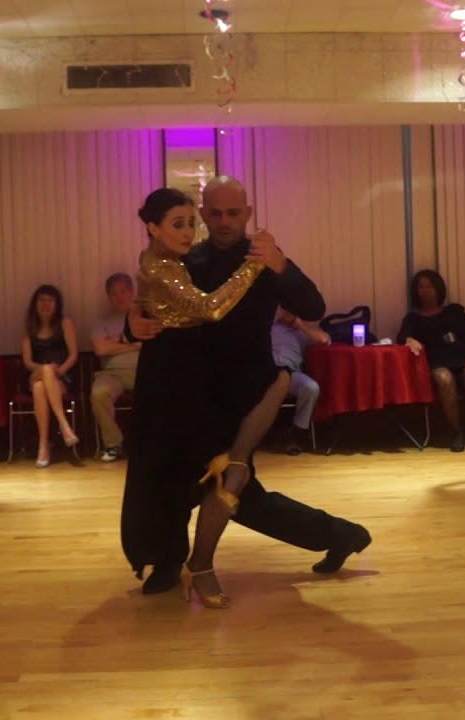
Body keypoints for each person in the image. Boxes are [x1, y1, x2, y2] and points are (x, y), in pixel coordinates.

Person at [129, 176, 372, 598]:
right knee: (192, 481)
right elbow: (160, 307)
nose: (224, 222)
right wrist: (131, 327)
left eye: (233, 213)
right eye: (216, 213)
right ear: (204, 215)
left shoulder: (264, 257)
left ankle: (182, 563)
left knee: (232, 487)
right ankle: (338, 535)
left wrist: (280, 264)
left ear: (248, 214)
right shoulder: (190, 256)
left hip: (249, 392)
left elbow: (314, 306)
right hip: (197, 391)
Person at [121, 186, 290, 610]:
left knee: (214, 473)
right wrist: (255, 267)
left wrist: (135, 319)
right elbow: (210, 308)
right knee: (187, 472)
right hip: (171, 381)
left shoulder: (170, 261)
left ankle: (185, 561)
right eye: (178, 224)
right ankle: (181, 561)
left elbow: (150, 304)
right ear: (152, 228)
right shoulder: (165, 268)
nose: (188, 231)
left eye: (189, 223)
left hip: (190, 376)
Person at [397, 269, 465, 452]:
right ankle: (456, 432)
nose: (425, 290)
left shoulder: (454, 311)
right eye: (421, 287)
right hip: (436, 362)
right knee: (444, 378)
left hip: (462, 357)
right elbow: (401, 337)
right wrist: (409, 340)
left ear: (438, 288)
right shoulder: (413, 318)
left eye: (429, 286)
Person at [21, 284, 80, 468]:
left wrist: (60, 371)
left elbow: (73, 354)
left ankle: (43, 446)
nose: (45, 304)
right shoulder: (29, 328)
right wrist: (46, 369)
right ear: (35, 303)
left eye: (50, 300)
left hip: (61, 376)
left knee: (40, 389)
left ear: (57, 304)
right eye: (41, 300)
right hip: (36, 373)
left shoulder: (65, 323)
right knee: (44, 372)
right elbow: (28, 362)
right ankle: (64, 425)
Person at [90, 273, 141, 462]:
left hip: (143, 370)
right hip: (111, 374)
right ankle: (113, 444)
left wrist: (114, 342)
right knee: (99, 393)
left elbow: (149, 345)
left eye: (122, 291)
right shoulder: (100, 322)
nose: (118, 297)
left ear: (131, 291)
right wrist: (131, 343)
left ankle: (154, 443)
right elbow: (101, 349)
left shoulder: (143, 317)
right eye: (113, 293)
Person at [271, 307, 329, 455]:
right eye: (285, 309)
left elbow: (323, 340)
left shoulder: (302, 333)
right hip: (267, 373)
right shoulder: (269, 328)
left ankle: (297, 434)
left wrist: (300, 325)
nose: (287, 313)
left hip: (291, 374)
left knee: (311, 387)